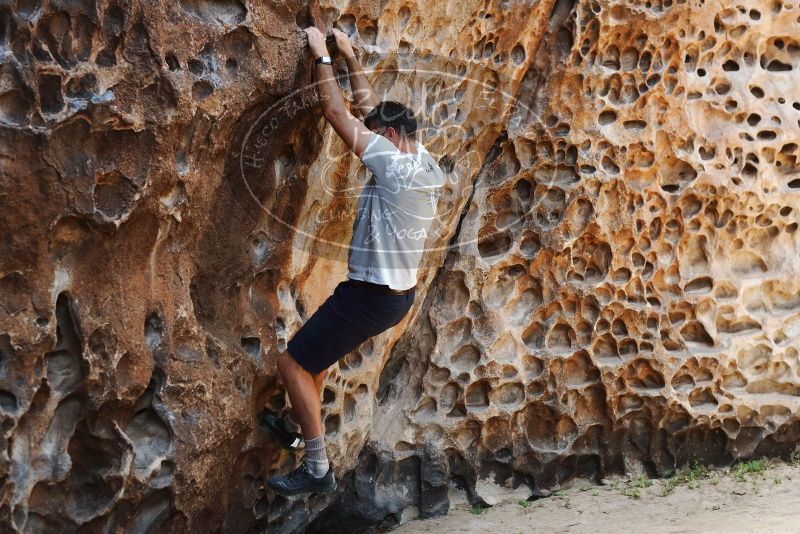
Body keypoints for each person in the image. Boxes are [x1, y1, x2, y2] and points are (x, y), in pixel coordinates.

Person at [260, 27, 445, 497]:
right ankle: (304, 427)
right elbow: (368, 109)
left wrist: (321, 56)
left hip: (370, 296)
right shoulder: (422, 160)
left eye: (375, 133)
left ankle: (317, 467)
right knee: (314, 363)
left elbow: (336, 112)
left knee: (291, 364)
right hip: (390, 297)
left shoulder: (394, 166)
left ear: (386, 138)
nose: (369, 134)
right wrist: (349, 55)